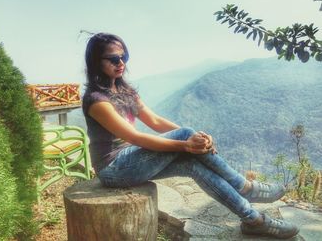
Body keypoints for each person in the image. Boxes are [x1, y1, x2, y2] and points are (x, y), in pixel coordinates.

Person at [82, 33, 299, 239]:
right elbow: (136, 137)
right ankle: (245, 187)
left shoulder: (125, 91)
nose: (121, 63)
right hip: (113, 169)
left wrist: (196, 140)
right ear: (96, 62)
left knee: (192, 164)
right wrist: (186, 143)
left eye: (124, 56)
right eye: (113, 59)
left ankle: (253, 220)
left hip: (131, 161)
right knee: (187, 140)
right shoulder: (97, 100)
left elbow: (156, 122)